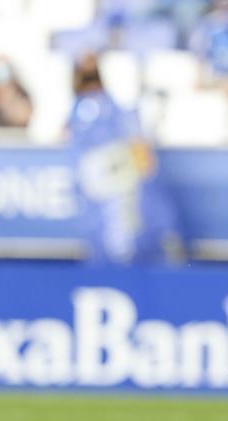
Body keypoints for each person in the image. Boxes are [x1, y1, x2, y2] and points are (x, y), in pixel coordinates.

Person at [68, 54, 183, 267]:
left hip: (127, 197)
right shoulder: (80, 114)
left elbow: (143, 160)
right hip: (107, 197)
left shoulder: (118, 111)